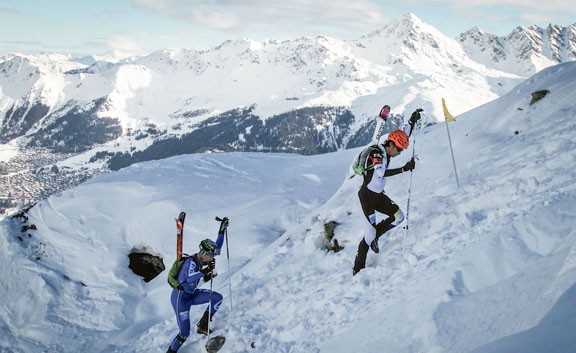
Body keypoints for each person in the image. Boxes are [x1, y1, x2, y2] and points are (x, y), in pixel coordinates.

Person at [352, 109, 421, 276]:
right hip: (367, 197)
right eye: (399, 150)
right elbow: (381, 173)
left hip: (378, 195)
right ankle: (358, 268)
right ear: (391, 145)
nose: (400, 153)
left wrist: (412, 120)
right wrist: (404, 169)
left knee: (399, 217)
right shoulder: (377, 154)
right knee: (369, 234)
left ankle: (377, 235)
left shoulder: (390, 147)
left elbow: (404, 134)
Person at [166, 217, 229, 353]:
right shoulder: (191, 262)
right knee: (184, 334)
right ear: (204, 254)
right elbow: (189, 278)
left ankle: (203, 325)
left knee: (217, 298)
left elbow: (217, 247)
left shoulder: (202, 258)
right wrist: (206, 270)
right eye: (211, 256)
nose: (213, 258)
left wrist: (222, 230)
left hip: (192, 295)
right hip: (180, 299)